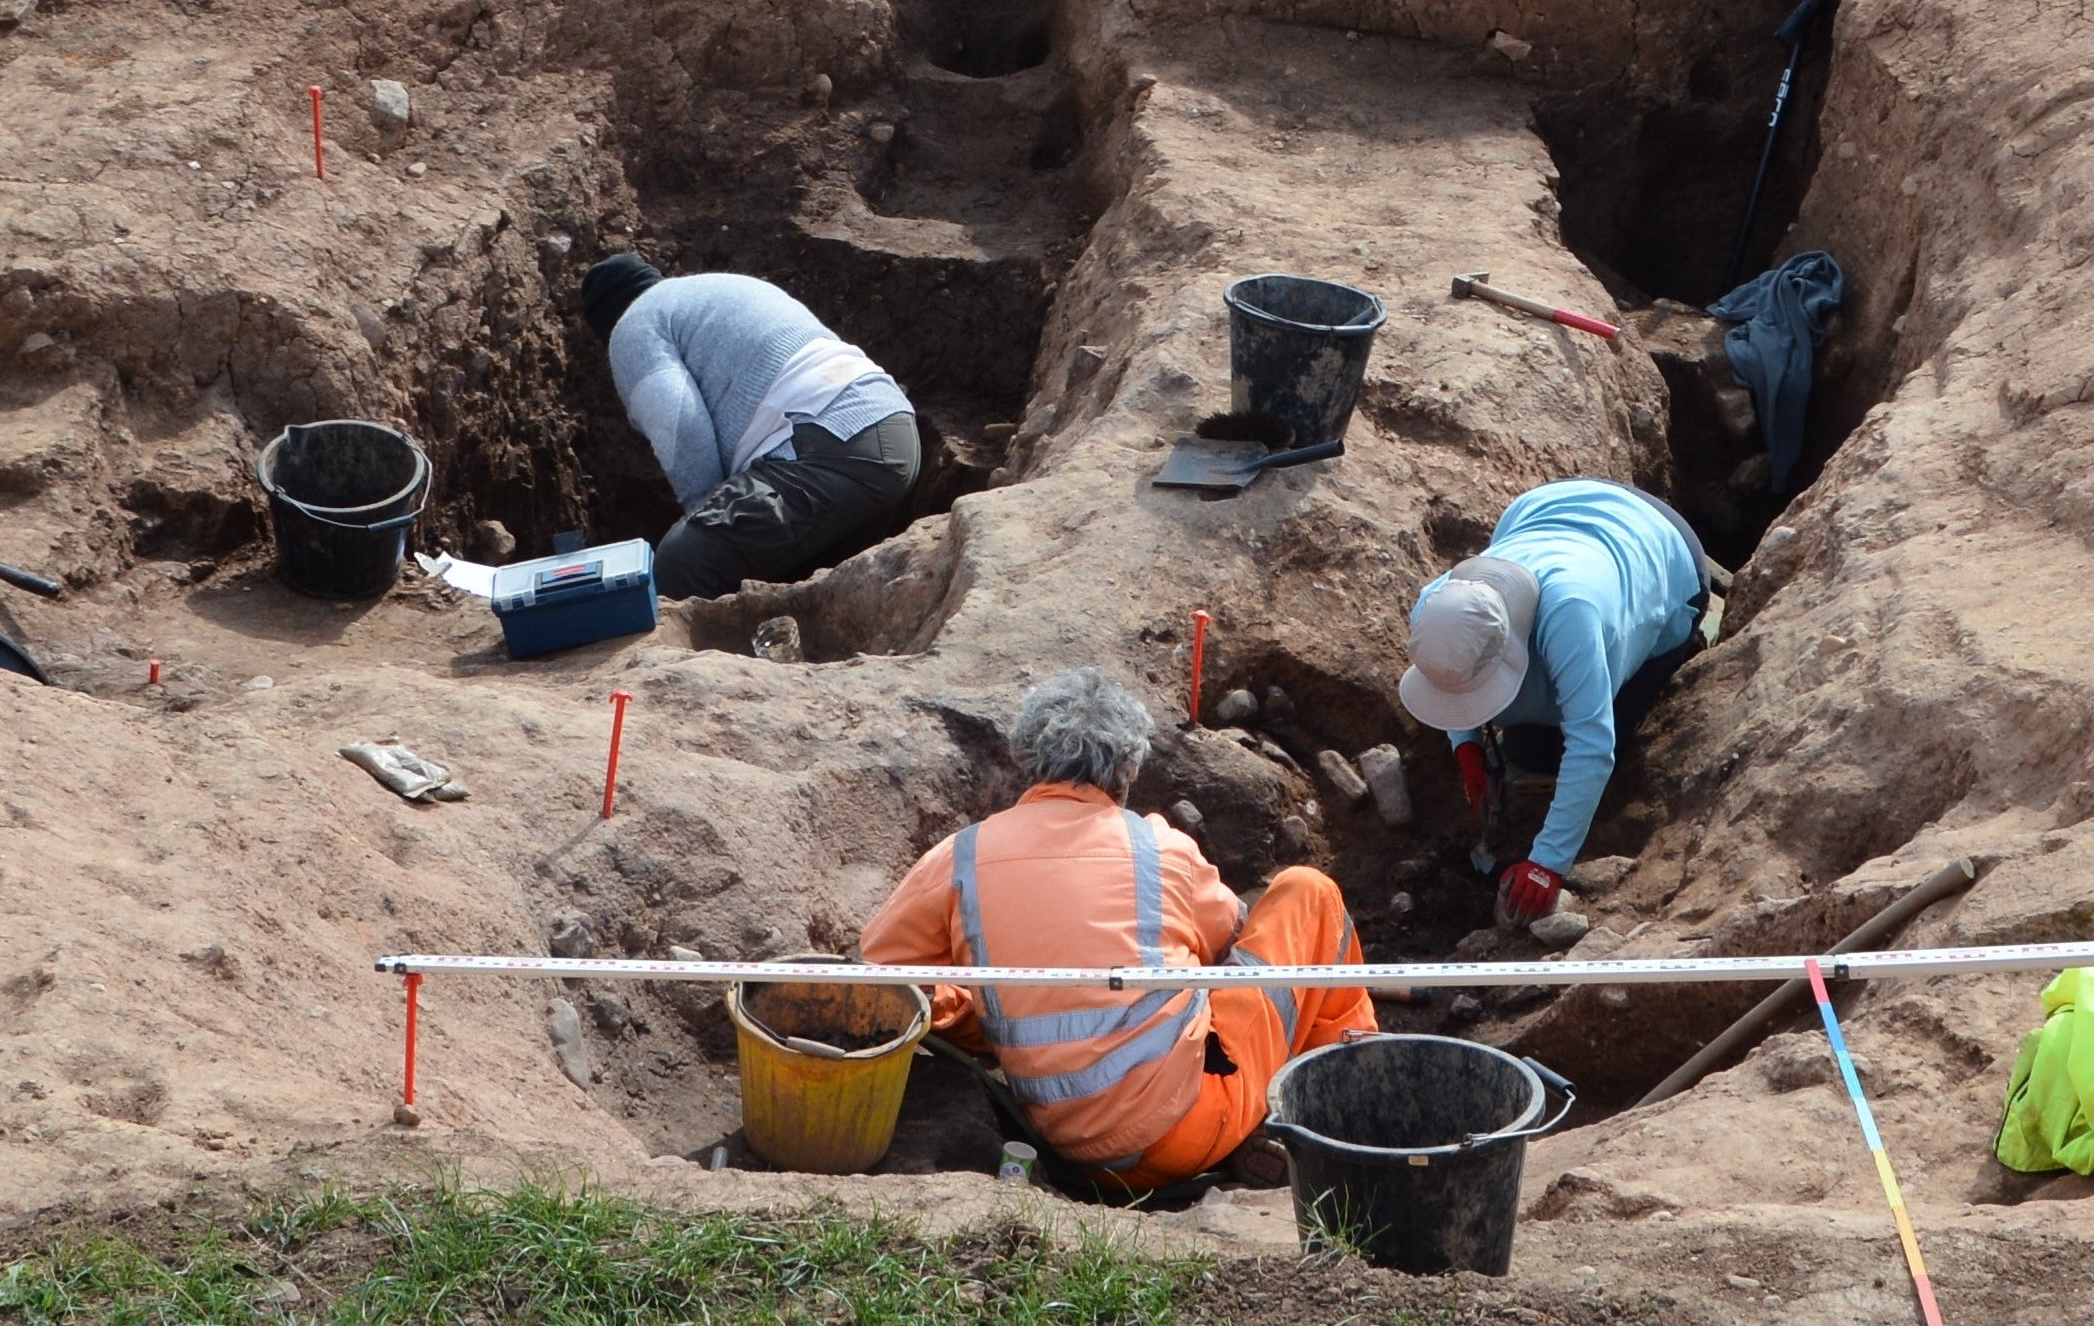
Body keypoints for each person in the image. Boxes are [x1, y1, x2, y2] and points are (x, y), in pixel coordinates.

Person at [861, 667, 1375, 1194]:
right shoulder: (1160, 848)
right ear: (1128, 770)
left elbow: (886, 973)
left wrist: (986, 1006)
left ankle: (1259, 1124)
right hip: (1184, 1128)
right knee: (1308, 893)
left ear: (1028, 762)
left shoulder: (961, 856)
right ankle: (1340, 1110)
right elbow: (1228, 942)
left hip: (1065, 1142)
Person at [1397, 479, 1711, 928]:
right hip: (1545, 506)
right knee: (1527, 744)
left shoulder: (1571, 615)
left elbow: (1591, 746)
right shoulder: (1439, 603)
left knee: (1554, 751)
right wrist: (1464, 746)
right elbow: (1449, 675)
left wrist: (1547, 863)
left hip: (1665, 548)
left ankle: (1673, 643)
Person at [580, 256, 922, 601]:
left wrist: (706, 515)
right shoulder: (713, 290)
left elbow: (682, 425)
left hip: (830, 448)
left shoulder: (633, 326)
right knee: (794, 579)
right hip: (893, 430)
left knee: (681, 563)